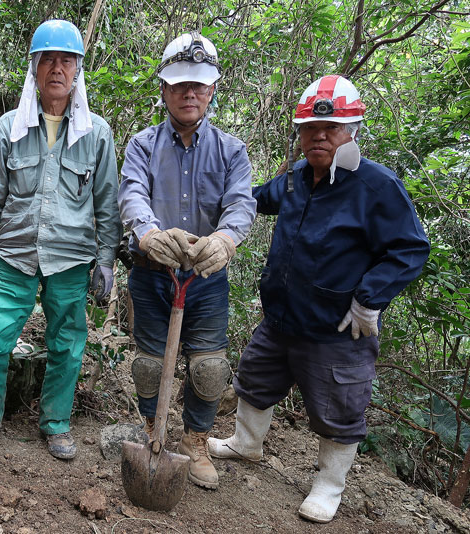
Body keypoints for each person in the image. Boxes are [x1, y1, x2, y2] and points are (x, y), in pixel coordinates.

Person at [208, 75, 430, 522]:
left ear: (353, 132)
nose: (319, 137)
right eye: (310, 128)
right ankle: (247, 444)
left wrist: (369, 299)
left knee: (339, 407)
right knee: (254, 377)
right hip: (281, 317)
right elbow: (254, 200)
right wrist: (217, 202)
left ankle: (330, 485)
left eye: (330, 129)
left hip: (337, 328)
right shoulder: (295, 178)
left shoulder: (376, 186)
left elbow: (410, 248)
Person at [0, 19, 121, 460]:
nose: (57, 68)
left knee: (67, 344)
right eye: (48, 59)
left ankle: (55, 423)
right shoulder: (8, 128)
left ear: (77, 70)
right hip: (14, 255)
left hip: (71, 259)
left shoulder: (97, 134)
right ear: (34, 68)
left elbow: (107, 203)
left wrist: (106, 259)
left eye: (66, 60)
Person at [118, 32, 257, 490]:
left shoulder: (232, 150)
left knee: (210, 367)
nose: (189, 93)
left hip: (206, 278)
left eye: (199, 85)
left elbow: (240, 205)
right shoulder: (141, 145)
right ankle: (151, 430)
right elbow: (133, 192)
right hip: (152, 273)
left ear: (213, 89)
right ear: (164, 89)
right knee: (150, 365)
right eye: (179, 85)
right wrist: (149, 232)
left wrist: (226, 239)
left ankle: (196, 440)